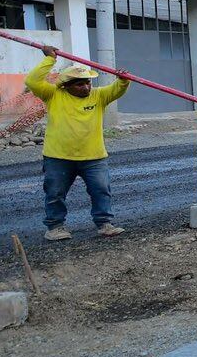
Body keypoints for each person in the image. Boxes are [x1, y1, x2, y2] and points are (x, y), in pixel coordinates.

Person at [25, 46, 130, 242]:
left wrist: (123, 79)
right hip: (58, 156)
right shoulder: (53, 95)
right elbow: (32, 81)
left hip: (94, 157)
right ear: (66, 85)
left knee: (101, 190)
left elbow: (116, 89)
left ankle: (104, 224)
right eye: (79, 84)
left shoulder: (98, 96)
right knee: (55, 192)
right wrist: (50, 60)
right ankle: (55, 227)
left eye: (87, 83)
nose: (85, 87)